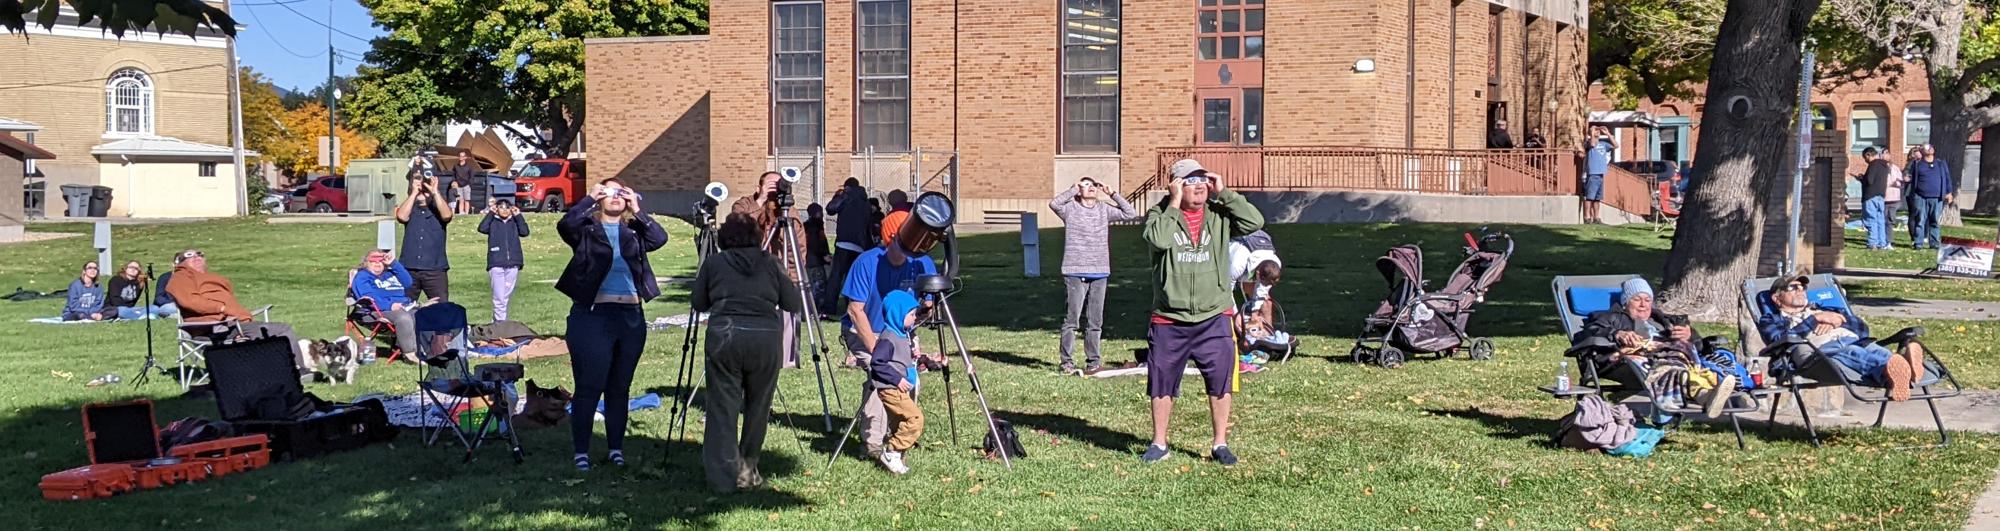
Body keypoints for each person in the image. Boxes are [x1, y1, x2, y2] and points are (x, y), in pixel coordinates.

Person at [1140, 159, 1265, 466]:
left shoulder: (1220, 214)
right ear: (1175, 186)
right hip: (1170, 317)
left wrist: (1226, 194)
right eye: (1189, 181)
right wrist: (1172, 204)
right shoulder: (1159, 215)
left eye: (1201, 180)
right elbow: (1159, 240)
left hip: (1214, 315)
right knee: (1162, 381)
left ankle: (1220, 443)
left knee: (1220, 379)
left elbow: (1254, 222)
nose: (1198, 186)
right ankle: (1159, 443)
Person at [555, 178, 668, 471]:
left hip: (630, 316)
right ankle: (581, 451)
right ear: (600, 199)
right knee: (590, 384)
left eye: (621, 192)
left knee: (620, 386)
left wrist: (638, 210)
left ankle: (616, 449)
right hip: (593, 316)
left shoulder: (634, 232)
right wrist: (589, 199)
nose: (615, 197)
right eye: (609, 192)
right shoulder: (587, 231)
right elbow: (566, 225)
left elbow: (660, 238)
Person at [693, 213, 802, 492]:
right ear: (756, 236)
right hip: (764, 338)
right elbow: (792, 303)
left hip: (725, 336)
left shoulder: (714, 263)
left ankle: (722, 479)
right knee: (759, 407)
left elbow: (699, 302)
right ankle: (747, 470)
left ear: (724, 237)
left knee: (722, 407)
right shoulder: (771, 263)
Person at [840, 211, 938, 458]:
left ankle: (900, 434)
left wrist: (926, 310)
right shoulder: (867, 262)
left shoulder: (922, 263)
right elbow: (855, 310)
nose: (912, 246)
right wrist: (878, 352)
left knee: (908, 378)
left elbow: (926, 309)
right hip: (865, 329)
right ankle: (872, 444)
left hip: (900, 332)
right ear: (891, 239)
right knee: (881, 378)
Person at [1757, 276, 1926, 401]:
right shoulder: (1772, 319)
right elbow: (1778, 339)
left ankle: (1901, 372)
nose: (1801, 290)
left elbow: (1862, 329)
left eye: (1803, 287)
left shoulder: (1824, 309)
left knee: (1874, 350)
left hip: (1852, 340)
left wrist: (1836, 320)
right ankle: (1894, 372)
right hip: (1818, 355)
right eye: (1793, 288)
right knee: (1853, 353)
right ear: (1776, 298)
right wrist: (1814, 320)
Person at [165, 249, 307, 376]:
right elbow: (190, 301)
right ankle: (270, 373)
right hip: (212, 329)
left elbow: (231, 304)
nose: (196, 257)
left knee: (281, 330)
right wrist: (221, 308)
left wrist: (240, 315)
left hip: (232, 323)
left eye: (200, 255)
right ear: (181, 263)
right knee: (263, 333)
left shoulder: (211, 278)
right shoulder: (180, 278)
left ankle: (294, 370)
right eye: (190, 256)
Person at [1049, 177, 1139, 375]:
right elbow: (1054, 204)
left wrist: (1112, 193)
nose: (1092, 188)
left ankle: (1093, 362)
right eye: (1086, 185)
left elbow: (1130, 213)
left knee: (1095, 321)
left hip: (1100, 271)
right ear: (1079, 190)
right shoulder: (1070, 209)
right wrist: (1072, 189)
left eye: (1094, 185)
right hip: (1074, 271)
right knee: (1072, 319)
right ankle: (1067, 362)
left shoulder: (1104, 209)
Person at [732, 171, 807, 366]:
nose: (775, 188)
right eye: (770, 185)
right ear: (759, 187)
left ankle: (783, 360)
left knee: (783, 323)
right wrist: (762, 202)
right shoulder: (745, 204)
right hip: (749, 273)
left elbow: (797, 249)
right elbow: (738, 226)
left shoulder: (788, 213)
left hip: (778, 275)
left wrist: (792, 277)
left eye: (778, 184)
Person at [862, 289, 926, 474]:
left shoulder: (900, 334)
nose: (915, 318)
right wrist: (897, 379)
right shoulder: (888, 338)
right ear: (898, 313)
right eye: (912, 314)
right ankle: (892, 450)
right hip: (891, 388)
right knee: (915, 419)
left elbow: (898, 358)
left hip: (898, 388)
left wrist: (913, 355)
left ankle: (896, 459)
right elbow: (877, 362)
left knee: (900, 423)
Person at [397, 160, 456, 301]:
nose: (423, 191)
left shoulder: (438, 210)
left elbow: (447, 215)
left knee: (441, 308)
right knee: (404, 306)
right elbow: (401, 216)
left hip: (435, 269)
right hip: (409, 267)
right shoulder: (411, 208)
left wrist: (435, 192)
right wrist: (413, 193)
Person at [349, 249, 420, 356]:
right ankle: (410, 353)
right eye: (373, 260)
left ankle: (429, 350)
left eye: (381, 260)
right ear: (366, 263)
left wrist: (394, 263)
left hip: (404, 307)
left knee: (428, 314)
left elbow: (408, 282)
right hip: (375, 312)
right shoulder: (362, 277)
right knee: (403, 318)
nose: (377, 263)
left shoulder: (390, 273)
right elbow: (369, 298)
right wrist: (390, 305)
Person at [825, 178, 872, 314]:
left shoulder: (846, 197)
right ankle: (853, 306)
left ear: (847, 187)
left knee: (836, 277)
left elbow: (831, 209)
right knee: (855, 278)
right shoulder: (865, 201)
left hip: (844, 242)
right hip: (860, 244)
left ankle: (830, 307)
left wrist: (839, 195)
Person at [478, 199, 530, 321]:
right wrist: (490, 213)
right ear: (496, 209)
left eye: (507, 207)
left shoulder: (514, 222)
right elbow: (482, 228)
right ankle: (500, 324)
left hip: (513, 263)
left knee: (505, 296)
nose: (504, 210)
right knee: (499, 297)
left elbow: (525, 232)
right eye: (501, 207)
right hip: (496, 263)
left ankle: (497, 321)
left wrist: (518, 216)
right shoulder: (493, 222)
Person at [1906, 144, 1953, 250]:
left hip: (1937, 197)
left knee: (1935, 221)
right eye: (1926, 147)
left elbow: (1947, 178)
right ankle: (1918, 243)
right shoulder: (1917, 164)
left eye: (1930, 147)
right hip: (1920, 197)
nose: (1929, 149)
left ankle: (1934, 243)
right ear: (1922, 151)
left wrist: (1949, 193)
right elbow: (1909, 175)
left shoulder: (1941, 164)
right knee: (1920, 221)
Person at [105, 260, 174, 320]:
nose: (133, 269)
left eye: (136, 268)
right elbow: (115, 299)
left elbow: (133, 301)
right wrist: (130, 310)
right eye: (131, 267)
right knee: (122, 311)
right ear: (125, 269)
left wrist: (134, 310)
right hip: (115, 308)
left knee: (155, 308)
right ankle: (142, 317)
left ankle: (138, 316)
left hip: (131, 309)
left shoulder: (139, 283)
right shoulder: (116, 280)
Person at [1857, 147, 1893, 250]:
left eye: (1865, 157)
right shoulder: (1885, 165)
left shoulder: (1873, 165)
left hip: (1870, 195)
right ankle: (1882, 243)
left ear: (1869, 155)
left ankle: (1872, 243)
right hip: (1881, 195)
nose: (1865, 160)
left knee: (1870, 219)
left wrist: (1862, 178)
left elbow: (1870, 180)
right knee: (1880, 220)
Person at [1583, 127, 1616, 225]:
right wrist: (1592, 134)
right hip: (1592, 174)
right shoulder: (1588, 143)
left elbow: (1616, 145)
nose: (1597, 131)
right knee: (1589, 197)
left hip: (1601, 174)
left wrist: (1608, 134)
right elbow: (1592, 144)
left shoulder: (1603, 144)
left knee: (1597, 198)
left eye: (1598, 130)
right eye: (1595, 130)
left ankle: (1596, 218)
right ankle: (1587, 217)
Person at [804, 203, 833, 307]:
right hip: (816, 260)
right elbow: (818, 243)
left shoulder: (806, 226)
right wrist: (824, 255)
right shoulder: (817, 227)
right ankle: (818, 309)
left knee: (811, 284)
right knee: (819, 285)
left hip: (808, 259)